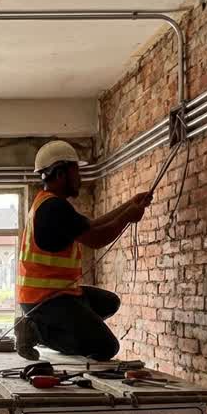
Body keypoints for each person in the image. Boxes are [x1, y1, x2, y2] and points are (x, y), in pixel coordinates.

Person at [15, 140, 152, 361]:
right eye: (76, 172)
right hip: (45, 300)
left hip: (54, 294)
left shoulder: (49, 203)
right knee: (107, 347)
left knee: (109, 302)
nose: (80, 178)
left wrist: (130, 205)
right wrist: (128, 217)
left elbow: (92, 225)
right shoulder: (54, 208)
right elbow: (96, 239)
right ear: (60, 174)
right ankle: (36, 330)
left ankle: (65, 332)